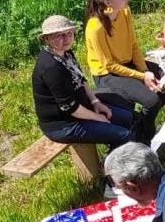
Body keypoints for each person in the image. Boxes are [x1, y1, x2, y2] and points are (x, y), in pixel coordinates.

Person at [32, 14, 137, 150]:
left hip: (82, 108)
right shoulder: (50, 67)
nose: (66, 39)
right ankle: (116, 167)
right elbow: (70, 107)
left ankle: (121, 153)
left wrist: (95, 102)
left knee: (127, 117)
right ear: (47, 39)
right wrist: (97, 118)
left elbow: (81, 79)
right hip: (64, 124)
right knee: (122, 135)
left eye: (69, 33)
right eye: (59, 35)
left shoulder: (66, 53)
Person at [85, 0, 165, 144]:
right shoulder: (95, 28)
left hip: (128, 64)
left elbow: (133, 45)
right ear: (108, 2)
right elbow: (109, 65)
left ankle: (149, 128)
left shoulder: (124, 12)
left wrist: (145, 71)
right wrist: (141, 77)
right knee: (152, 101)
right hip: (108, 74)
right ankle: (144, 136)